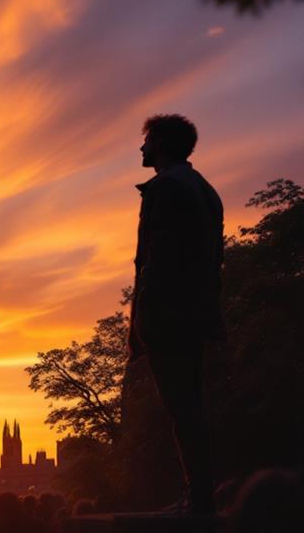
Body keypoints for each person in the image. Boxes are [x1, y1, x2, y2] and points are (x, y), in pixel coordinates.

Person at [127, 114, 224, 514]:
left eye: (147, 141)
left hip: (170, 313)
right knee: (191, 405)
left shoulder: (167, 188)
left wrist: (143, 319)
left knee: (181, 407)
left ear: (162, 143)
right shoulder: (203, 188)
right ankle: (201, 491)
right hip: (197, 310)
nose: (141, 147)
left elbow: (156, 261)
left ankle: (198, 496)